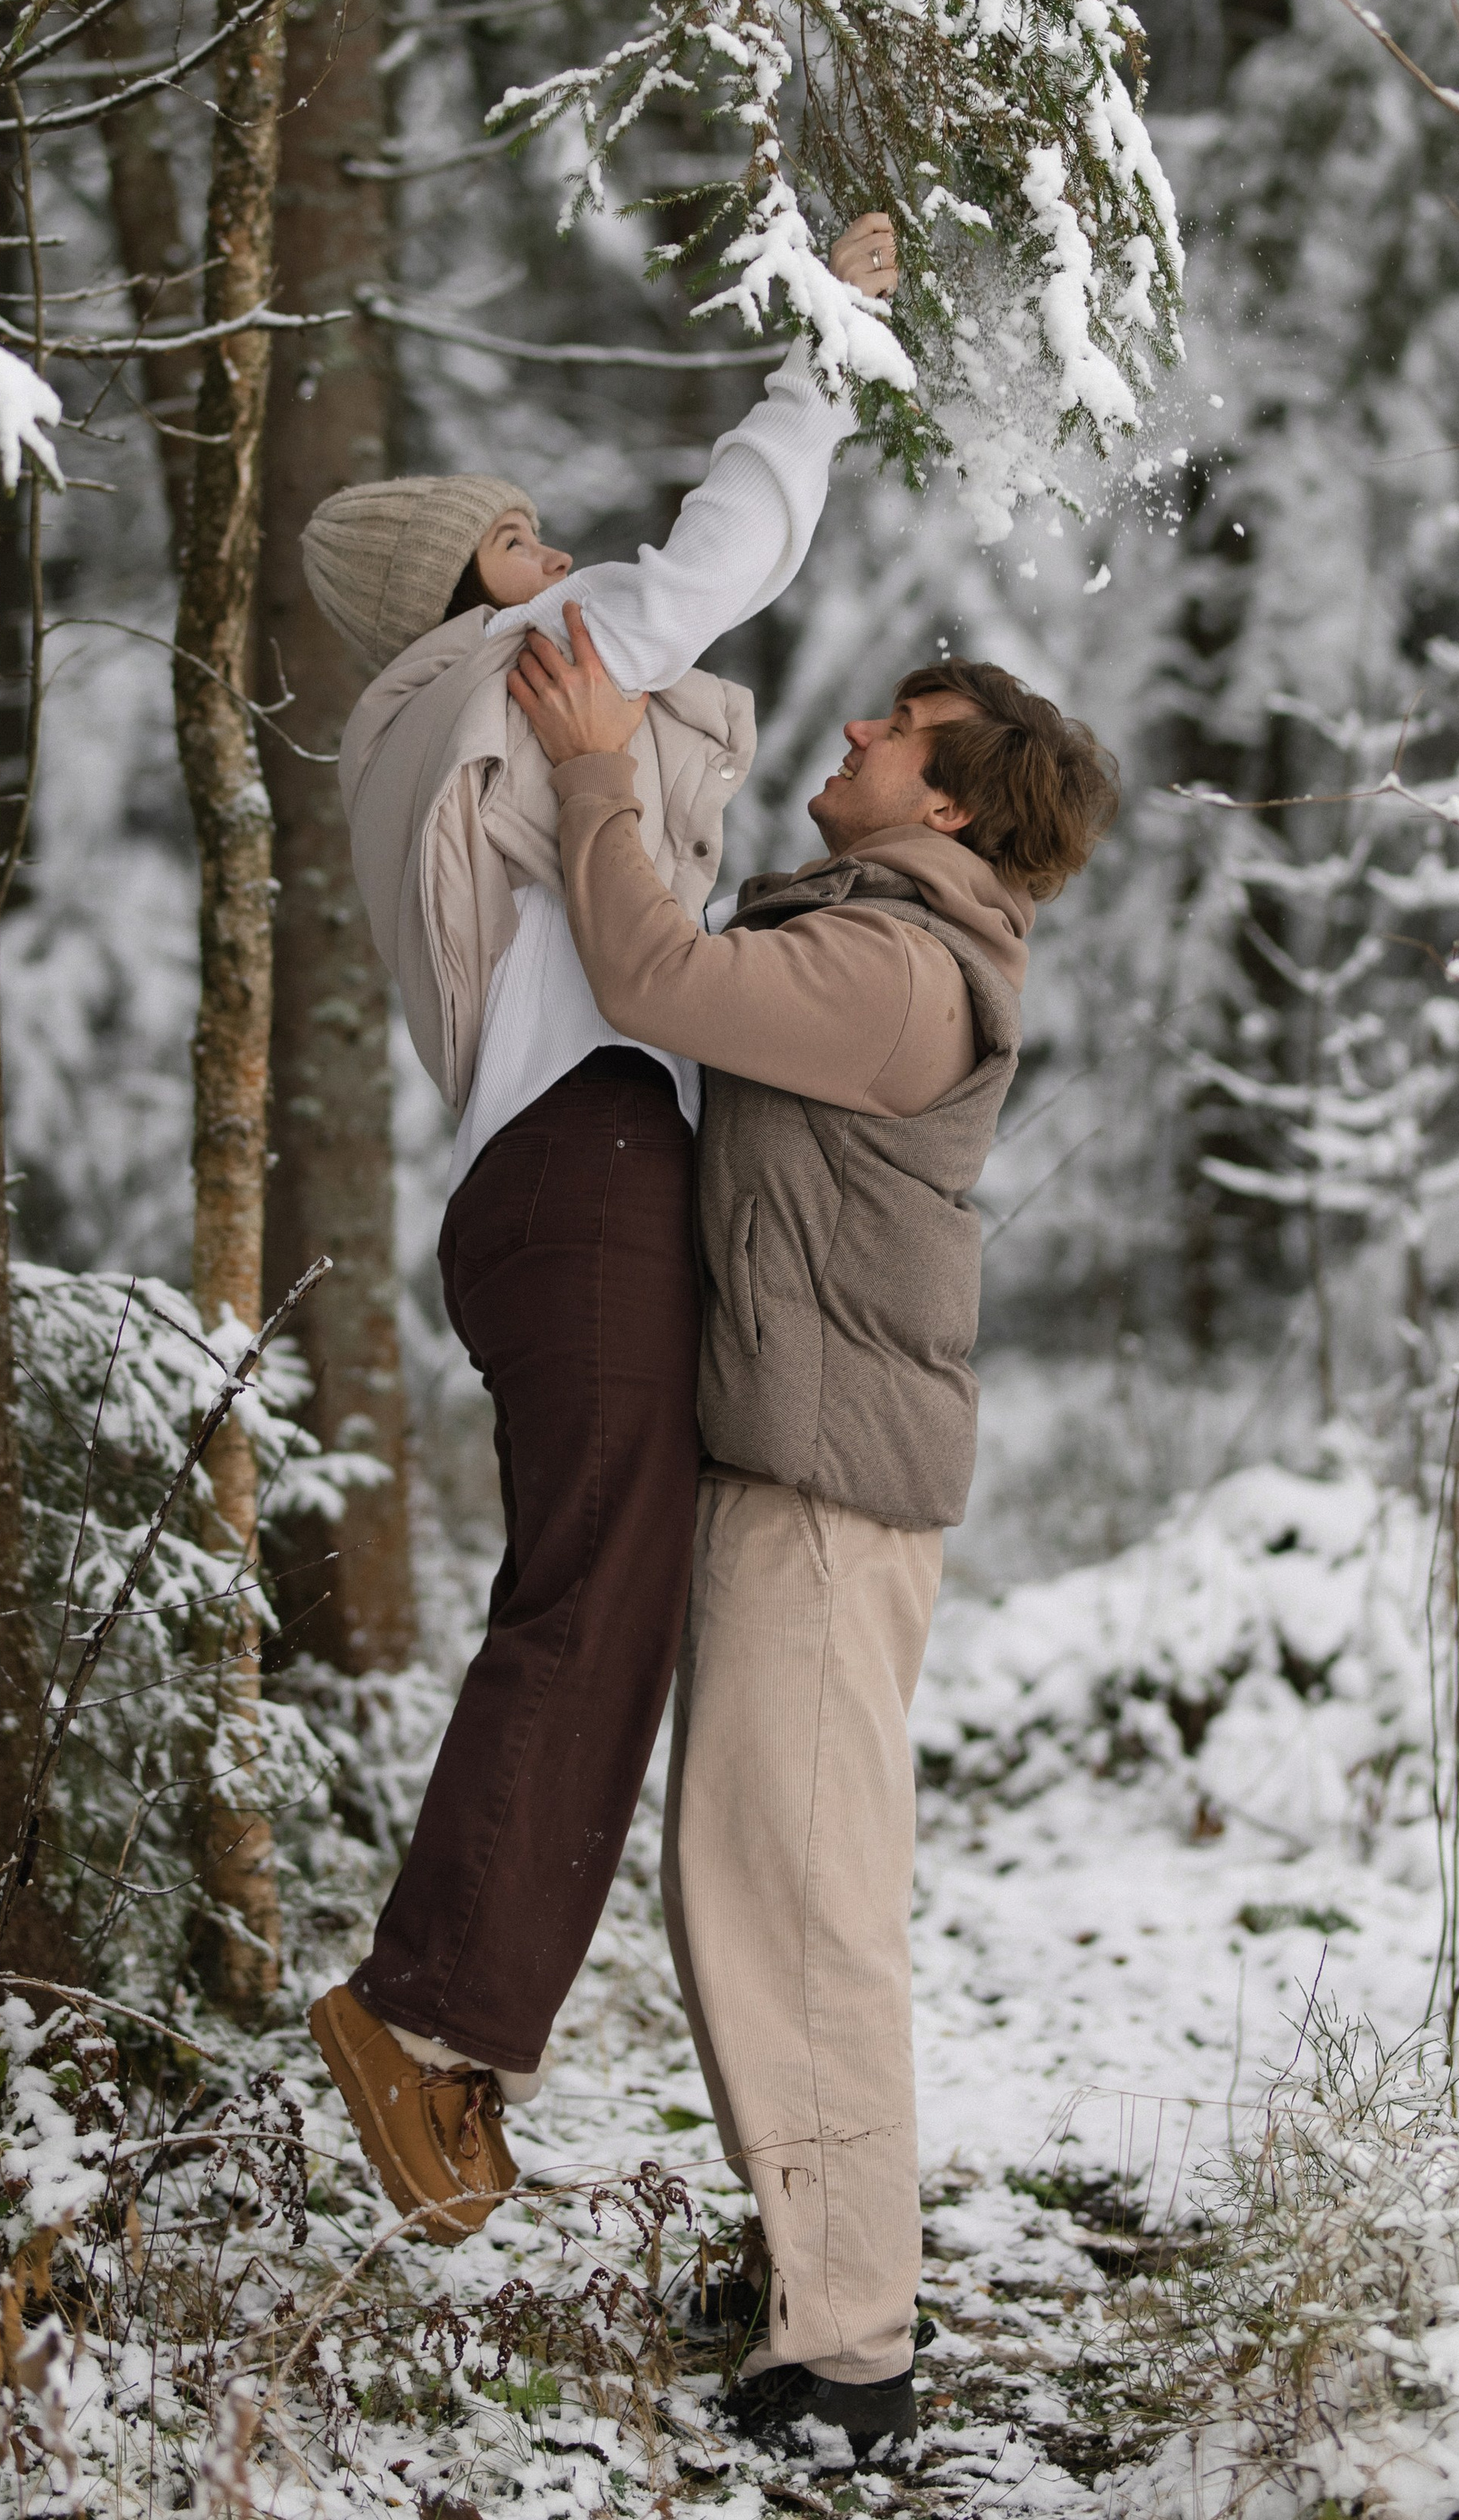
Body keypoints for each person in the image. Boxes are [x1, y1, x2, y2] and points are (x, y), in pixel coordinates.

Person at [297, 216, 900, 2243]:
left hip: (542, 1186)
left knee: (600, 1601)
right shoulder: (512, 674)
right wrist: (830, 342)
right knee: (593, 1606)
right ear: (468, 580)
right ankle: (422, 2021)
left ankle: (454, 2037)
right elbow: (729, 554)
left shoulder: (415, 742)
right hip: (585, 1166)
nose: (556, 557)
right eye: (524, 534)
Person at [507, 610, 1119, 2460]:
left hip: (826, 1493)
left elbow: (650, 977)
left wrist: (594, 766)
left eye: (900, 726)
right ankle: (811, 2262)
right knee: (751, 1891)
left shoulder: (898, 973)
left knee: (798, 1902)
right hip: (803, 1473)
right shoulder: (884, 937)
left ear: (951, 800)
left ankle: (846, 2346)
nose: (851, 728)